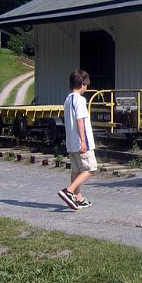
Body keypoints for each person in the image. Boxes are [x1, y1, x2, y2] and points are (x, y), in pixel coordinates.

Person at [58, 69, 97, 210]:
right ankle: (69, 191)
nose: (87, 87)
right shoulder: (80, 100)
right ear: (82, 84)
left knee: (76, 170)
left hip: (71, 142)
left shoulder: (68, 99)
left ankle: (78, 197)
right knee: (91, 168)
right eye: (86, 84)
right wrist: (83, 141)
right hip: (81, 141)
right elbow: (80, 120)